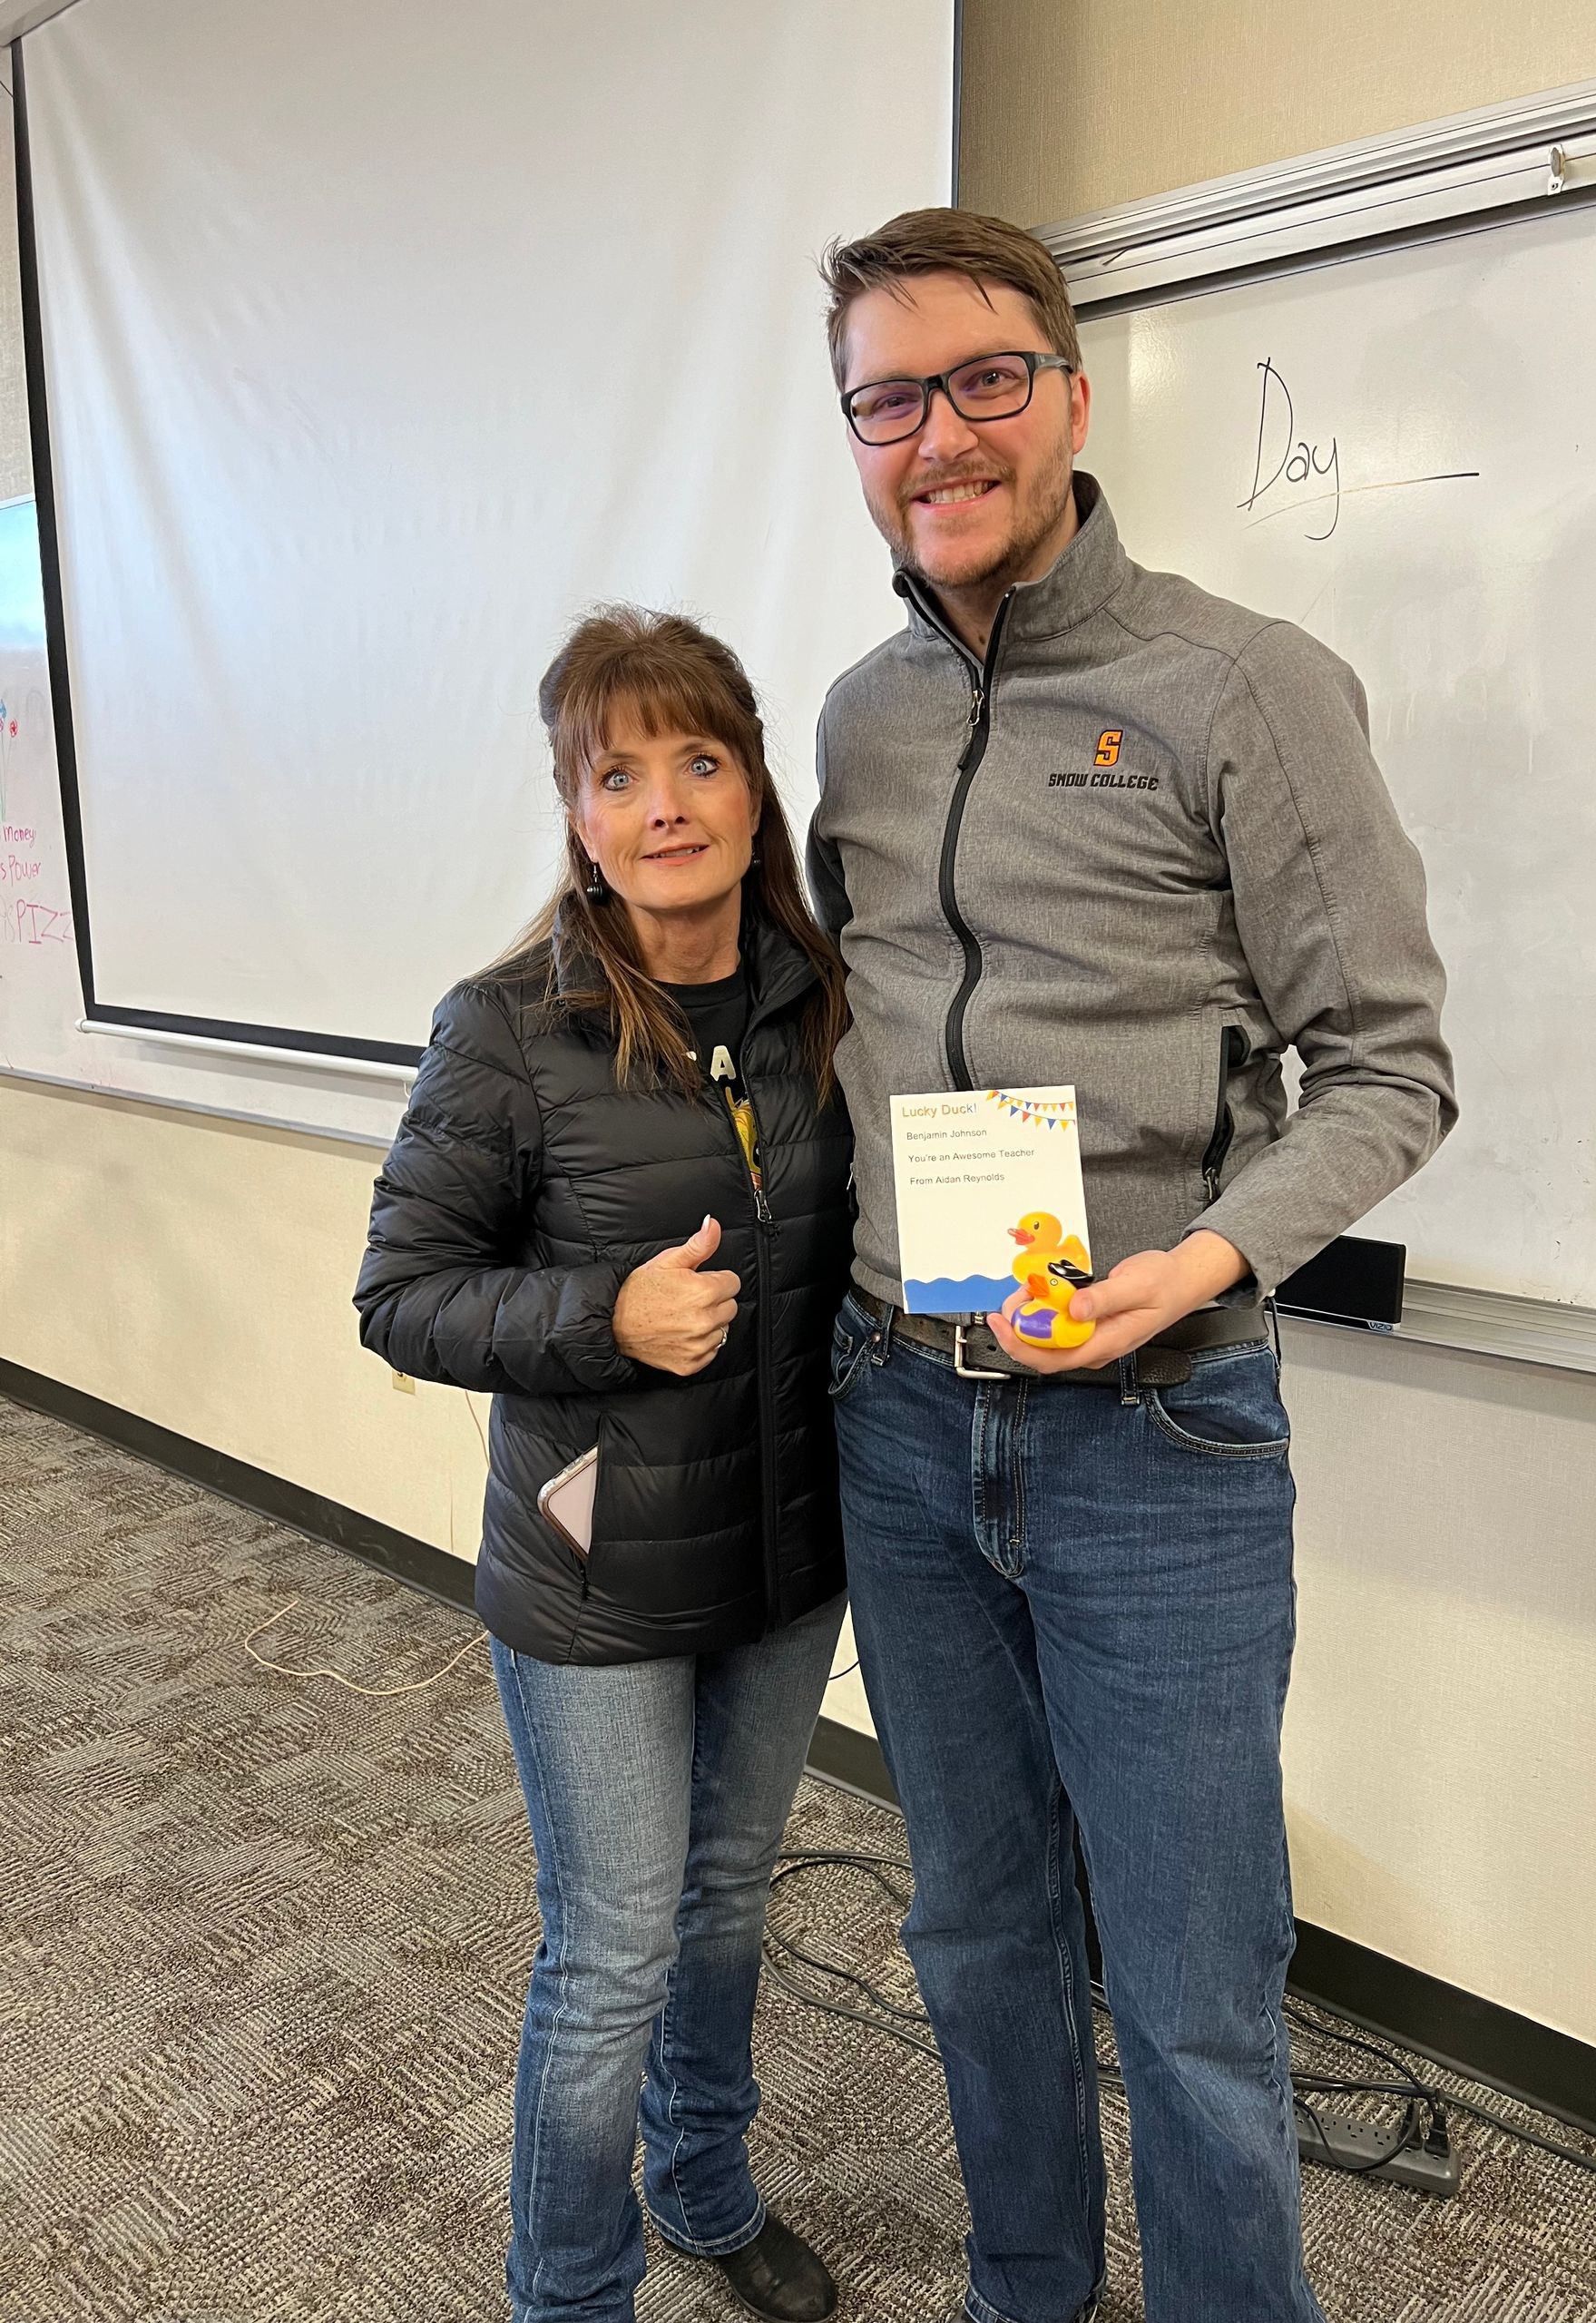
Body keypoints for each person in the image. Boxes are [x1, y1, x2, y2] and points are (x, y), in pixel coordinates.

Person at [808, 211, 1457, 2323]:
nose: (940, 434)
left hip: (1153, 1433)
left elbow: (1385, 1068)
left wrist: (1196, 1261)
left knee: (1189, 1990)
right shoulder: (859, 717)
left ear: (1072, 397)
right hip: (903, 1412)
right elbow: (850, 1018)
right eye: (889, 398)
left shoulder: (1241, 682)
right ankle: (1025, 2290)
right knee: (976, 1933)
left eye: (984, 377)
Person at [356, 608, 852, 2323]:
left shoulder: (818, 1000)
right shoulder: (509, 1027)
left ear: (751, 783)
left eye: (698, 761)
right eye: (617, 772)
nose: (664, 804)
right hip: (595, 1570)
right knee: (616, 1943)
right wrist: (602, 1321)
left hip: (786, 1558)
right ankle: (572, 2290)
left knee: (727, 1906)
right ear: (575, 812)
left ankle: (705, 2186)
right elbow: (402, 1297)